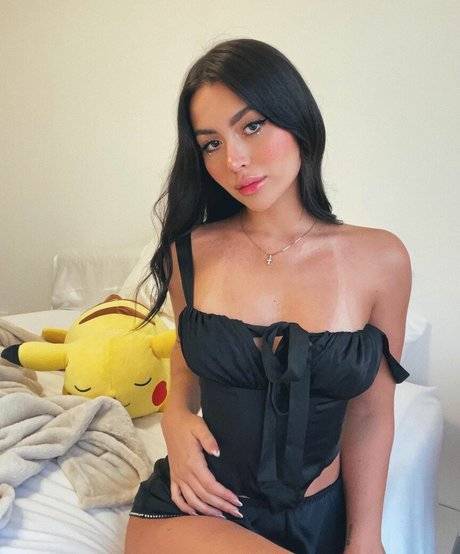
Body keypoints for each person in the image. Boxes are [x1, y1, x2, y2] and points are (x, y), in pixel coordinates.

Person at [124, 38, 411, 554]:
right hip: (197, 507)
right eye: (210, 144)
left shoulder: (382, 260)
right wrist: (175, 416)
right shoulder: (188, 254)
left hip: (319, 520)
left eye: (252, 126)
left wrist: (365, 537)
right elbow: (187, 357)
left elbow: (371, 415)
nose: (234, 159)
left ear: (297, 119)